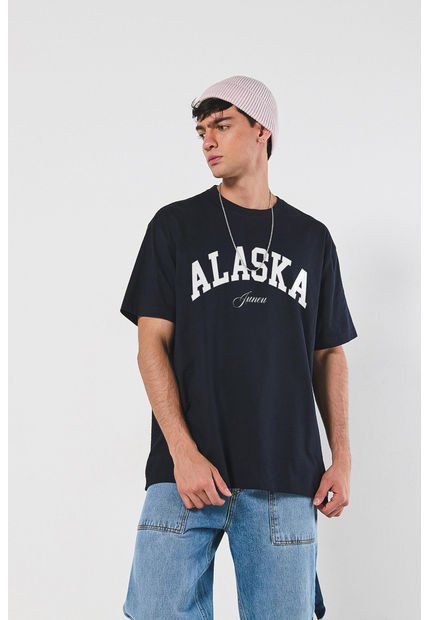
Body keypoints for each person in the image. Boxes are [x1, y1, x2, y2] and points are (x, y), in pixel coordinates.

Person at [120, 75, 358, 620]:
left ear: (262, 131)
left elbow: (329, 354)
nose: (208, 140)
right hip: (185, 476)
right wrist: (182, 453)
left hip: (285, 476)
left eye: (222, 126)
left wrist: (342, 458)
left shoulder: (311, 238)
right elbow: (150, 344)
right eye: (202, 131)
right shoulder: (175, 227)